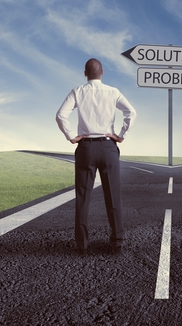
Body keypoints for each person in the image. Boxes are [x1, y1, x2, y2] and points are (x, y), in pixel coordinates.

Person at [56, 58, 137, 256]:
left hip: (85, 149)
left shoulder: (77, 91)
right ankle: (117, 244)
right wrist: (121, 135)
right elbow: (131, 112)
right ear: (102, 73)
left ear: (85, 73)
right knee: (113, 198)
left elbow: (60, 115)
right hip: (108, 147)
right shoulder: (113, 92)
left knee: (82, 199)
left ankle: (82, 246)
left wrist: (71, 137)